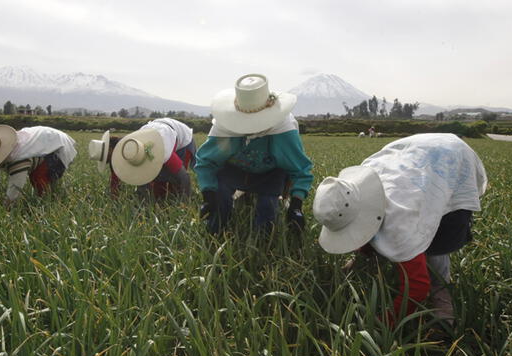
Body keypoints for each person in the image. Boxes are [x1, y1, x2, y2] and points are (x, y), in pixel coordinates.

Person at [312, 133, 487, 325]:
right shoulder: (358, 186)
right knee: (386, 234)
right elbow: (368, 227)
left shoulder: (400, 220)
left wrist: (384, 322)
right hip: (417, 153)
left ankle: (441, 289)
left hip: (452, 158)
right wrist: (365, 252)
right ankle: (367, 258)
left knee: (438, 242)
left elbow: (417, 286)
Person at [195, 73, 313, 235]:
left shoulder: (282, 131)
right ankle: (214, 235)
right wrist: (208, 196)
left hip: (269, 174)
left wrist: (296, 206)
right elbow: (205, 163)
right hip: (233, 171)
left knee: (267, 212)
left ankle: (263, 246)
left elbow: (300, 170)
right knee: (219, 205)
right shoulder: (224, 128)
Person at [0, 125, 77, 205]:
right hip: (42, 138)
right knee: (38, 178)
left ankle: (46, 204)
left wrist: (5, 210)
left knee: (39, 178)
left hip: (56, 145)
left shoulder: (18, 159)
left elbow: (14, 191)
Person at [105, 118, 195, 199]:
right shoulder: (131, 150)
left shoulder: (164, 152)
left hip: (182, 139)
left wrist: (185, 203)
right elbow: (142, 180)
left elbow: (184, 178)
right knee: (159, 194)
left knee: (175, 186)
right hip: (157, 131)